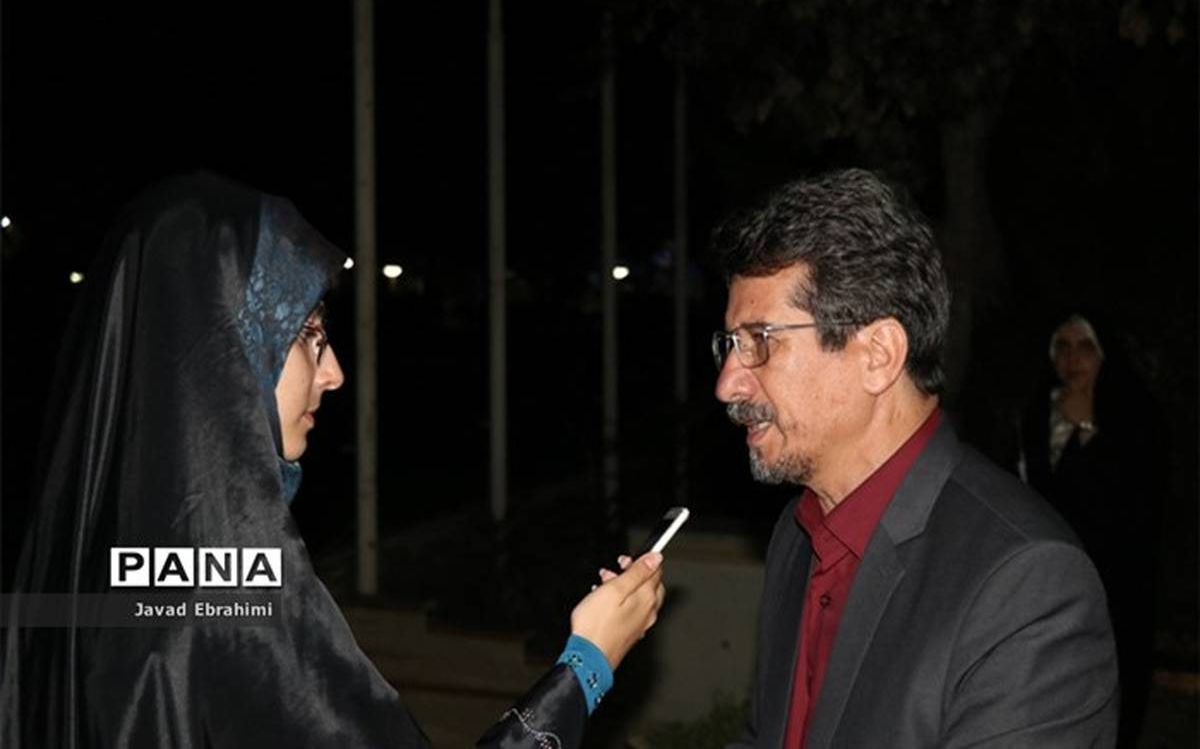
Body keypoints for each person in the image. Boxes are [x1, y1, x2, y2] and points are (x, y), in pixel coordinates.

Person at [0, 171, 665, 748]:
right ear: (226, 352)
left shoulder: (84, 563)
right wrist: (587, 666)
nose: (335, 372)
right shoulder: (233, 586)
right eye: (307, 334)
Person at [710, 169, 1118, 748]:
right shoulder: (798, 536)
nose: (728, 383)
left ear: (878, 354)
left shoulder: (1027, 584)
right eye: (730, 344)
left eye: (761, 342)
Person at [1019, 313, 1163, 747]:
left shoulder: (1133, 417)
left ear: (1103, 356)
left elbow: (1134, 505)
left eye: (1084, 347)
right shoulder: (1037, 414)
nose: (1072, 359)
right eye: (1062, 347)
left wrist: (1088, 432)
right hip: (1046, 582)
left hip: (1117, 584)